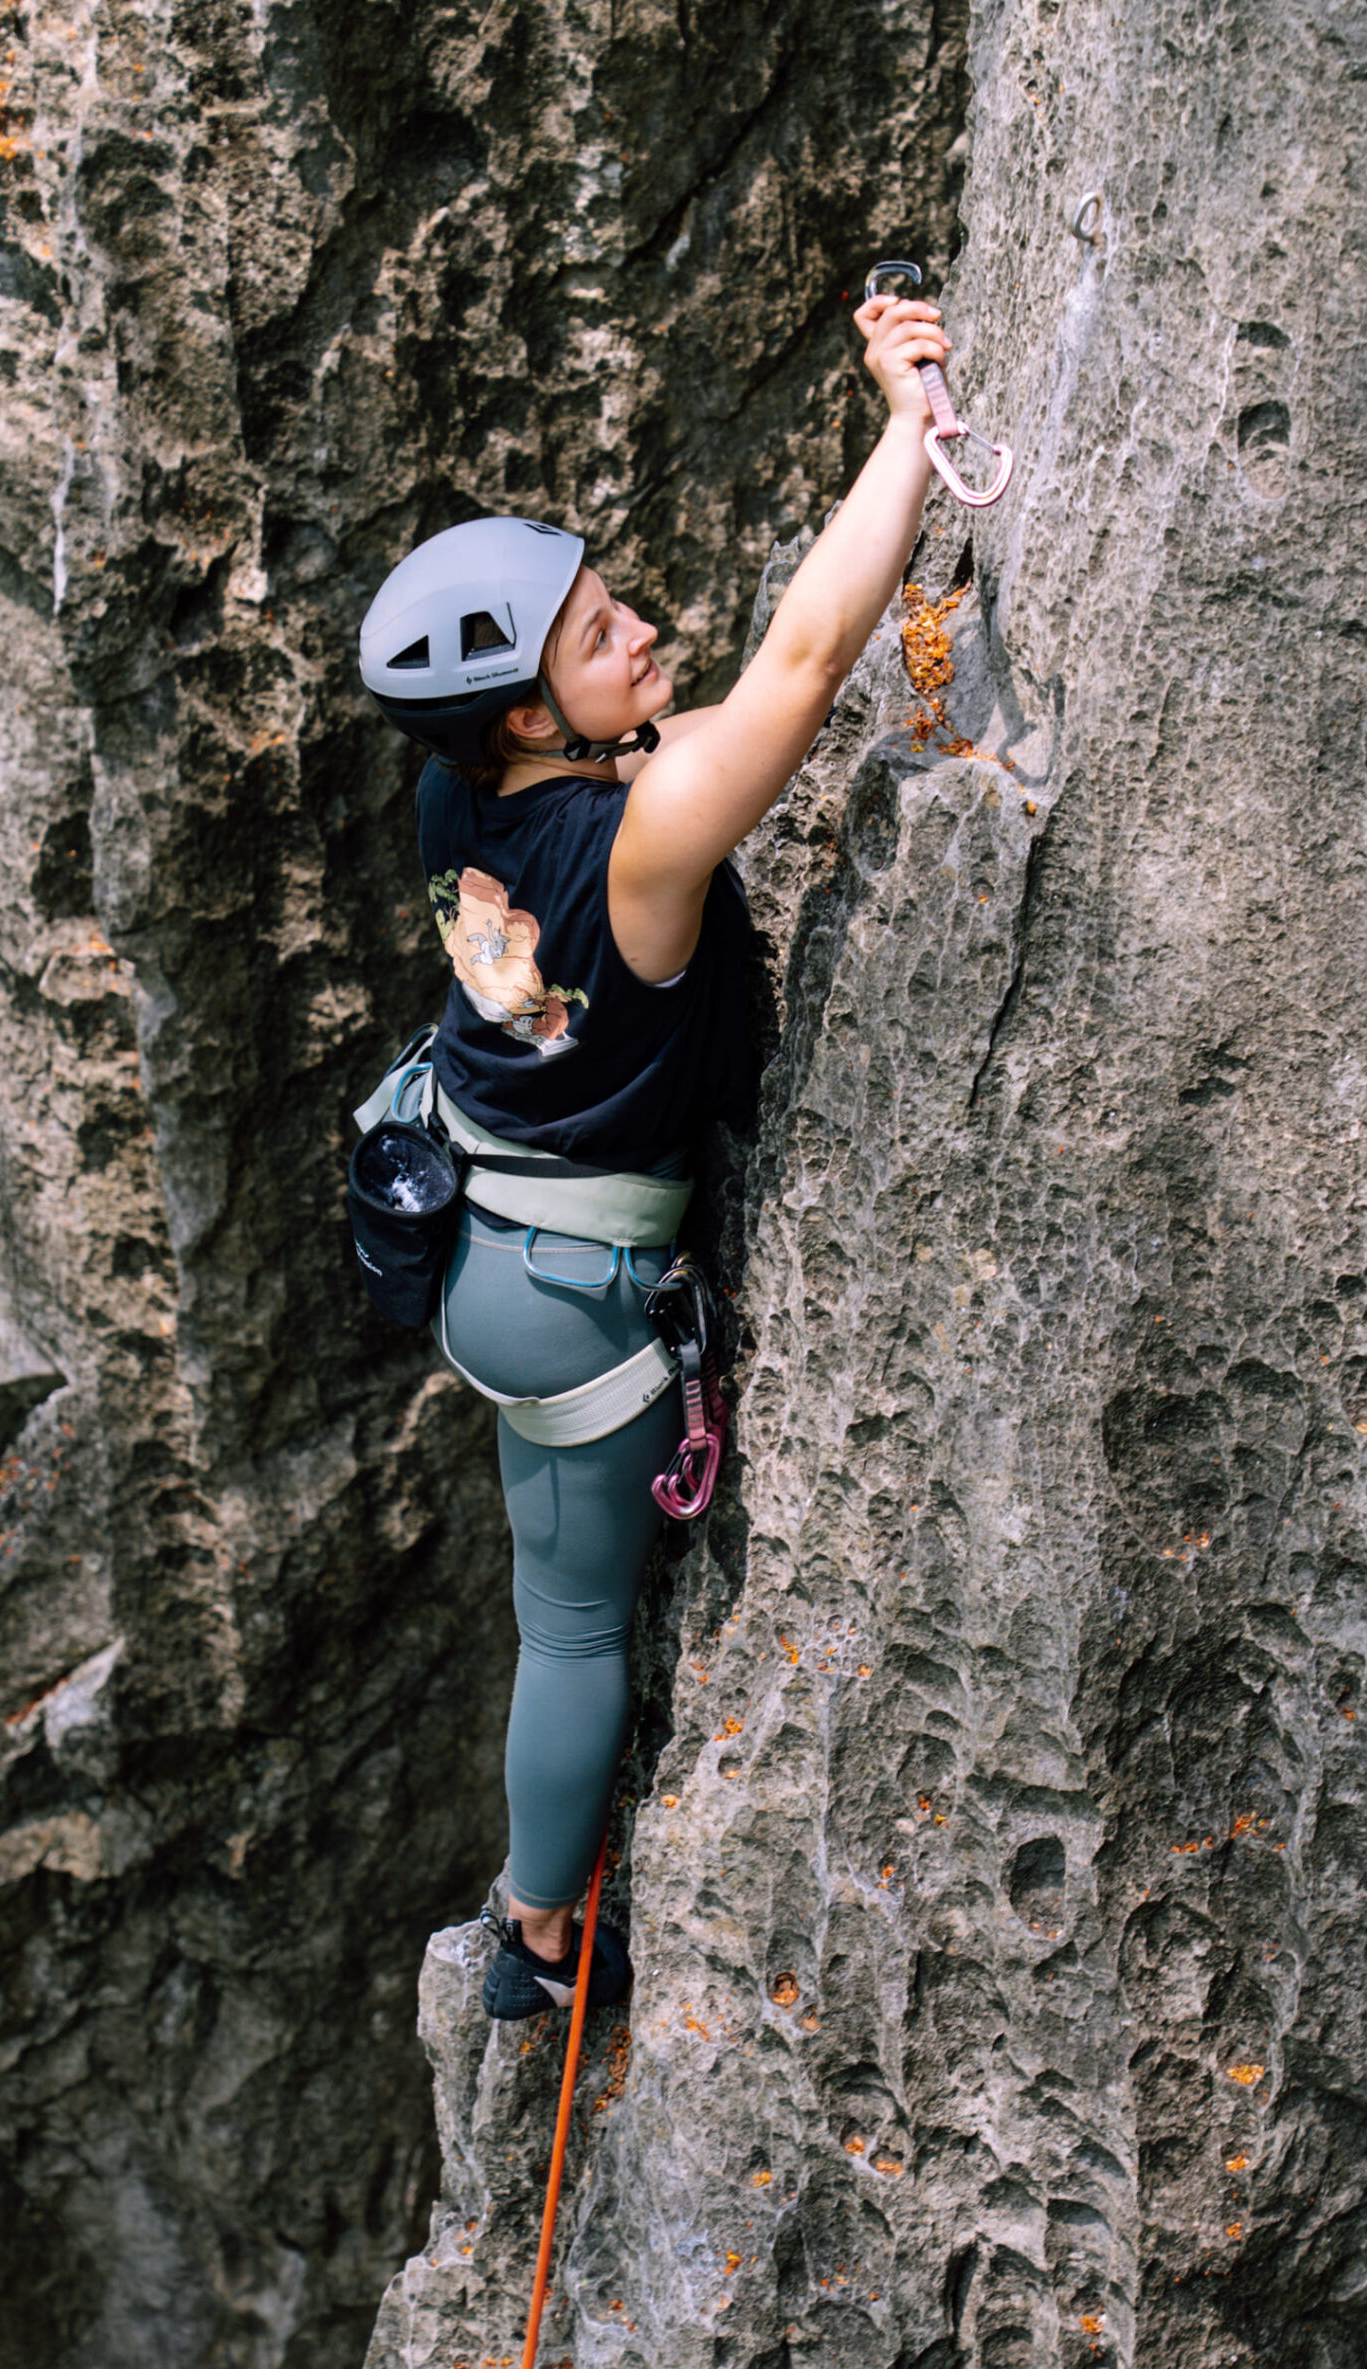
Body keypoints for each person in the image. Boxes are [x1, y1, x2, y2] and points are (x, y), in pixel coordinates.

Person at [357, 287, 951, 2018]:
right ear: (528, 721)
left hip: (478, 1218)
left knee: (558, 1607)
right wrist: (910, 421)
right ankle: (541, 1938)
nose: (640, 631)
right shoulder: (640, 850)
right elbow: (804, 666)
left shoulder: (462, 797)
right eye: (601, 631)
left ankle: (537, 1902)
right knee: (580, 1631)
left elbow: (691, 732)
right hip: (572, 1290)